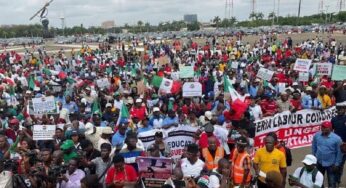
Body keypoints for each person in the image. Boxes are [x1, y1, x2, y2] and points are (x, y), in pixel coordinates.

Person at [312, 121, 343, 188]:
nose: (323, 129)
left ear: (330, 128)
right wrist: (314, 158)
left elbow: (339, 153)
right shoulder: (317, 135)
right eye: (322, 127)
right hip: (319, 162)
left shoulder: (337, 139)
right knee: (319, 182)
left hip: (331, 165)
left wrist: (337, 164)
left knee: (332, 183)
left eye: (326, 127)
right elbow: (314, 146)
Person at [331, 104, 346, 185]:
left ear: (345, 110)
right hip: (339, 145)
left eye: (342, 109)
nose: (340, 111)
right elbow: (330, 131)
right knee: (339, 163)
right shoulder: (333, 119)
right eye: (339, 109)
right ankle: (337, 179)